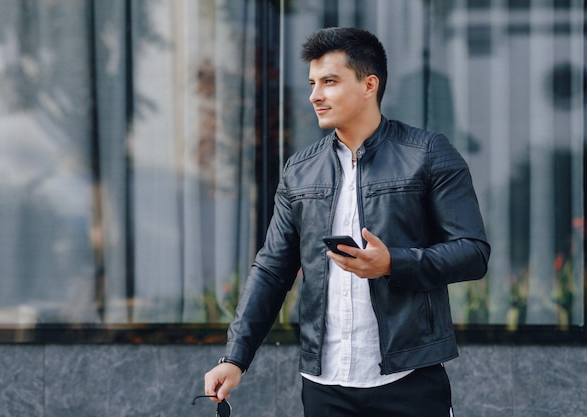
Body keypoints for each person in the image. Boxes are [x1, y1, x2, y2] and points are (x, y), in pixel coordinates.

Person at [203, 27, 490, 417]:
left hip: (408, 380)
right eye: (312, 83)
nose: (315, 95)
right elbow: (272, 269)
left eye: (330, 82)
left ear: (369, 84)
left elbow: (472, 252)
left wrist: (393, 263)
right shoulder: (299, 171)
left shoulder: (427, 154)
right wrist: (234, 357)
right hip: (325, 386)